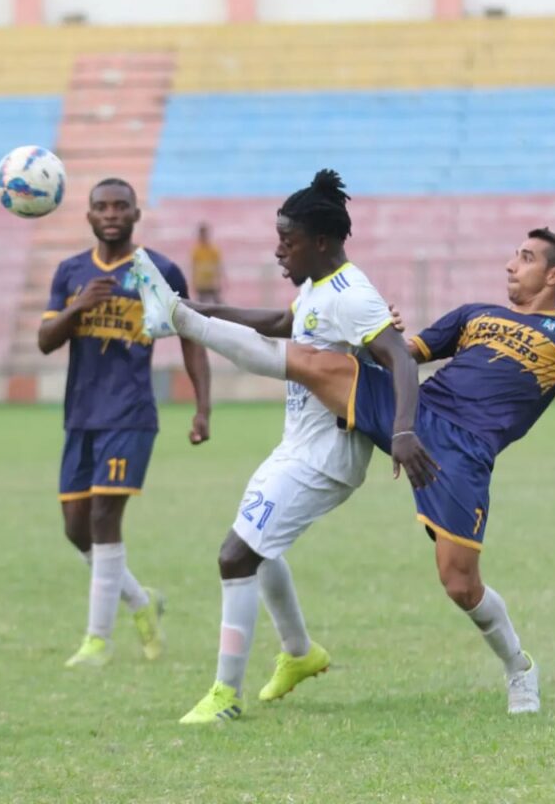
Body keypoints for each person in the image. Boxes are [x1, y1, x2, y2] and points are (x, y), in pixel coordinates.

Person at [132, 226, 555, 716]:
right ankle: (181, 317)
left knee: (460, 584)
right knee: (316, 362)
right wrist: (378, 334)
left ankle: (518, 667)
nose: (511, 265)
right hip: (417, 415)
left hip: (465, 453)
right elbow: (401, 355)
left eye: (525, 258)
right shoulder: (474, 314)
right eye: (513, 254)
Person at [130, 169, 434, 724]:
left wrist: (404, 430)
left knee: (236, 555)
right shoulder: (316, 286)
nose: (278, 251)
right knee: (259, 547)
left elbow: (399, 357)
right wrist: (193, 310)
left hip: (328, 456)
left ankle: (225, 695)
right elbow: (276, 321)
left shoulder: (352, 294)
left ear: (321, 241)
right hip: (297, 445)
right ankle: (299, 653)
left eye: (287, 241)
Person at [38, 177, 212, 669]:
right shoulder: (71, 272)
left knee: (103, 519)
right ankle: (140, 600)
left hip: (130, 414)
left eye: (121, 206)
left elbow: (191, 336)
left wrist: (203, 407)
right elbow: (45, 341)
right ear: (89, 215)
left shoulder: (160, 270)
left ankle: (97, 640)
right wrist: (78, 306)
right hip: (80, 415)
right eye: (102, 206)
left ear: (136, 214)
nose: (111, 214)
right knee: (76, 529)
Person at [191, 223, 224, 305]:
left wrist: (220, 280)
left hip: (212, 283)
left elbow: (218, 266)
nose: (203, 237)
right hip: (201, 283)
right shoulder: (196, 251)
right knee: (201, 305)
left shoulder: (213, 250)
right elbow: (193, 267)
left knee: (218, 304)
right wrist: (194, 282)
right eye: (202, 235)